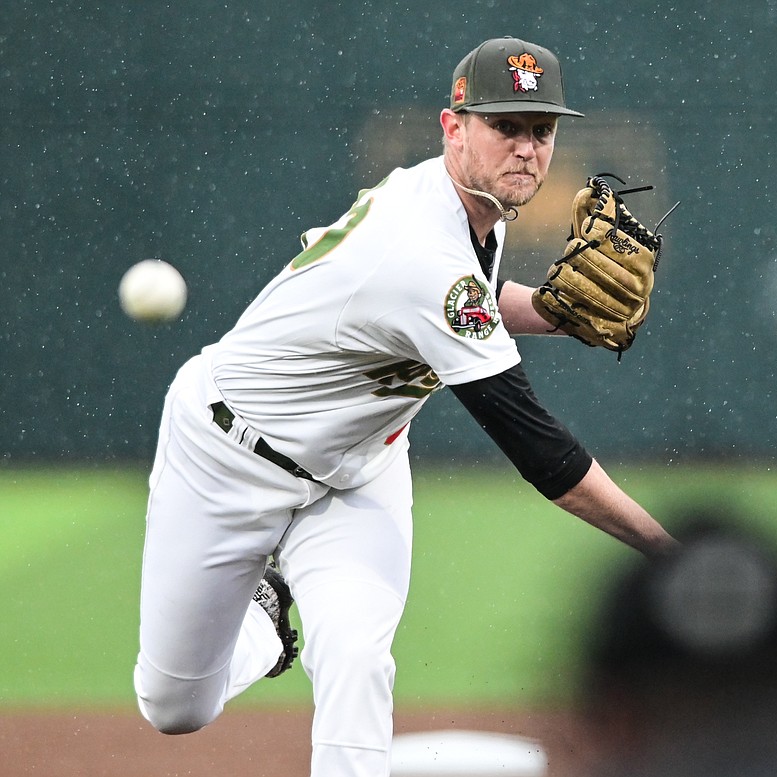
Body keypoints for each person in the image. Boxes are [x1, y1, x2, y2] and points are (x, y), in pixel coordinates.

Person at [133, 36, 677, 777]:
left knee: (357, 661)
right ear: (454, 128)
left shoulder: (466, 204)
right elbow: (543, 453)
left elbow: (468, 302)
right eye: (505, 127)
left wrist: (547, 310)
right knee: (173, 706)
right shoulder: (420, 251)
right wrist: (672, 554)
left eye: (541, 130)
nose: (527, 149)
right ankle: (265, 616)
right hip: (227, 456)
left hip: (359, 471)